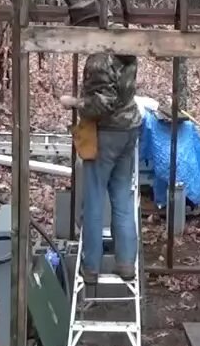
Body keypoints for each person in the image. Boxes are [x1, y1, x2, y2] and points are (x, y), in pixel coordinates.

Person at [59, 49, 141, 285]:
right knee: (123, 199)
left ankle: (91, 267)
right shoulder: (128, 51)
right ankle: (126, 264)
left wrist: (73, 103)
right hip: (129, 130)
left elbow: (102, 104)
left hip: (106, 134)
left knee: (94, 201)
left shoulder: (100, 59)